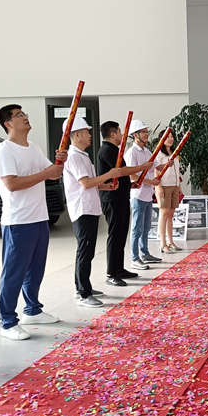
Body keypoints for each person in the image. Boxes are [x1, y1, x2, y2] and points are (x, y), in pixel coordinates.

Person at [0, 104, 66, 341]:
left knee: (36, 269)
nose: (25, 117)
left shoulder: (33, 147)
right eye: (19, 115)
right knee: (14, 272)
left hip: (39, 217)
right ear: (8, 124)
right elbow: (12, 184)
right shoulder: (4, 151)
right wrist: (47, 173)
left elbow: (53, 173)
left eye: (24, 113)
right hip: (18, 221)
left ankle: (32, 310)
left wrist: (60, 162)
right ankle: (7, 321)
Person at [62, 117, 125, 308]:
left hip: (90, 207)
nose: (90, 135)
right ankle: (84, 293)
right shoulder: (74, 157)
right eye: (86, 132)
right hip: (82, 209)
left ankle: (82, 286)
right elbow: (85, 183)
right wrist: (109, 175)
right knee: (85, 251)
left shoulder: (82, 155)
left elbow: (90, 182)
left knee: (87, 251)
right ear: (76, 135)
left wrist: (105, 186)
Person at [96, 120, 152, 287]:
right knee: (115, 235)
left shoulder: (115, 150)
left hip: (121, 197)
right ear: (113, 134)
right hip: (111, 199)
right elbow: (120, 171)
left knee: (121, 234)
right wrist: (142, 167)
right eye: (120, 132)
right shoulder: (107, 150)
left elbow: (121, 176)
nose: (122, 135)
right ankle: (111, 273)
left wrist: (130, 185)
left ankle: (119, 269)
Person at [124, 120, 161, 268]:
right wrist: (151, 182)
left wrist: (169, 163)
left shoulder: (147, 151)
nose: (146, 134)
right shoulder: (131, 153)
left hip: (147, 195)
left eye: (146, 132)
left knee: (146, 228)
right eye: (143, 132)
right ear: (135, 135)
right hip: (137, 195)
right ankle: (134, 258)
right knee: (137, 228)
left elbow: (158, 166)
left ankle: (145, 253)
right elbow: (132, 176)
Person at [154, 129, 182, 253]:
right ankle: (163, 243)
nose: (170, 139)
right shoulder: (159, 154)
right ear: (162, 139)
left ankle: (171, 241)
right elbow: (156, 170)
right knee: (164, 213)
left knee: (171, 214)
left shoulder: (174, 153)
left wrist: (179, 186)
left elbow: (177, 170)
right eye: (167, 137)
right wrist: (159, 187)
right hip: (164, 186)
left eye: (172, 136)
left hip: (174, 185)